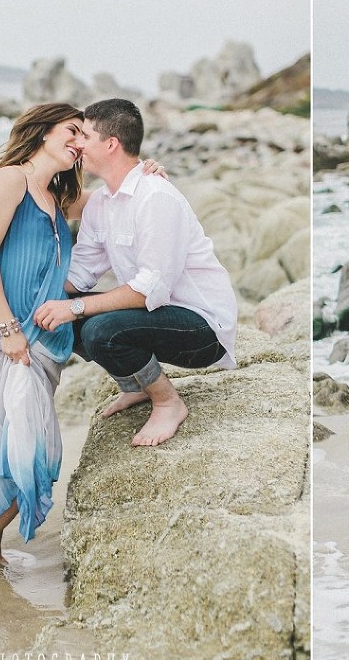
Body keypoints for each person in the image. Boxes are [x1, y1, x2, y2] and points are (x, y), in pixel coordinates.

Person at [0, 103, 164, 586]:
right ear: (42, 131)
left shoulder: (61, 194)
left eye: (84, 135)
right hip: (4, 336)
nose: (78, 142)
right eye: (72, 131)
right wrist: (8, 330)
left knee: (5, 443)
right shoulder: (8, 180)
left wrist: (145, 171)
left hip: (46, 338)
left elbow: (120, 190)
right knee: (25, 448)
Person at [34, 98, 238, 447]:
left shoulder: (155, 197)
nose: (78, 144)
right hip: (157, 316)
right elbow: (81, 272)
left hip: (202, 327)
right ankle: (135, 386)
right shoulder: (102, 203)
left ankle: (168, 402)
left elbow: (148, 290)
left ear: (110, 144)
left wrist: (77, 308)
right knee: (64, 309)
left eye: (84, 135)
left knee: (98, 328)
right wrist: (38, 297)